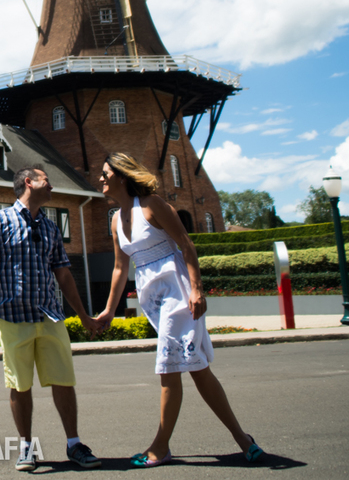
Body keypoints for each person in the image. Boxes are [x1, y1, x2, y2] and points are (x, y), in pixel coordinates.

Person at [94, 152, 264, 467]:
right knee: (197, 368)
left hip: (177, 292)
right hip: (153, 298)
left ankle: (160, 446)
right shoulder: (116, 219)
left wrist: (197, 290)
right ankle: (243, 440)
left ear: (121, 175)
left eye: (105, 173)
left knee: (168, 365)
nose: (100, 179)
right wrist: (108, 310)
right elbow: (120, 267)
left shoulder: (153, 204)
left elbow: (186, 244)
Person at [0, 164, 102, 472]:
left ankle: (74, 443)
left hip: (50, 315)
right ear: (29, 182)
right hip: (13, 317)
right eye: (46, 181)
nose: (52, 187)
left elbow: (63, 274)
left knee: (64, 381)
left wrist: (82, 315)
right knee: (20, 384)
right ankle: (26, 446)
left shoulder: (51, 227)